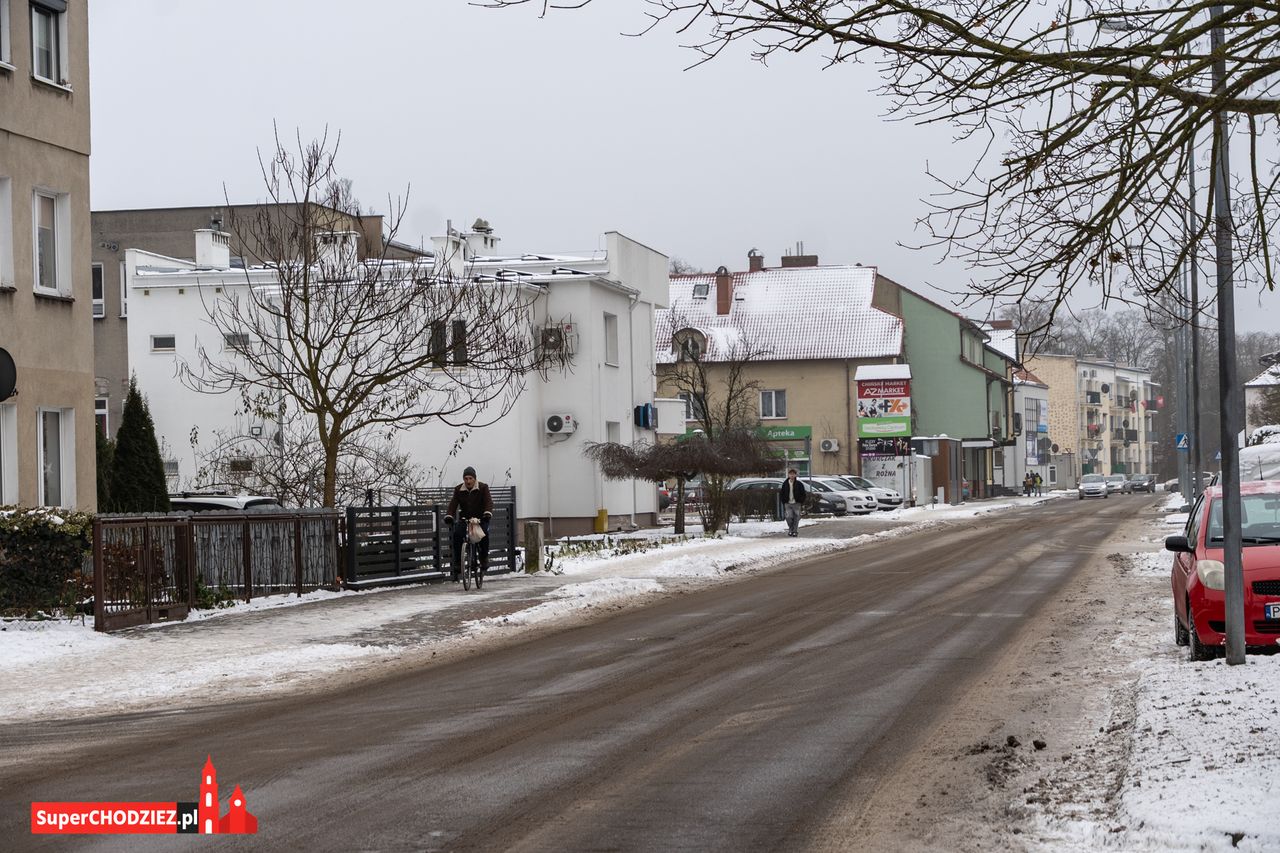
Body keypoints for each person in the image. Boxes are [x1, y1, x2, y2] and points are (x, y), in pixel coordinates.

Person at [444, 467, 493, 581]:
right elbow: (453, 504)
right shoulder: (458, 489)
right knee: (457, 534)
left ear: (475, 479)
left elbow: (488, 502)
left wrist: (487, 513)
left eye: (470, 478)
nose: (468, 481)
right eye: (466, 478)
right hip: (465, 519)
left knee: (484, 534)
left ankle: (484, 558)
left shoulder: (483, 487)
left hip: (481, 519)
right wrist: (449, 516)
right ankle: (457, 562)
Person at [778, 469, 807, 537]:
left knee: (796, 518)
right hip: (788, 503)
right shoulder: (785, 483)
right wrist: (783, 500)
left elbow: (803, 493)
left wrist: (801, 500)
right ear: (788, 475)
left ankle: (794, 531)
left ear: (795, 475)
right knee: (789, 517)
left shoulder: (799, 484)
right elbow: (782, 493)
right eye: (790, 474)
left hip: (796, 503)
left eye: (793, 474)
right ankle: (791, 529)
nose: (792, 475)